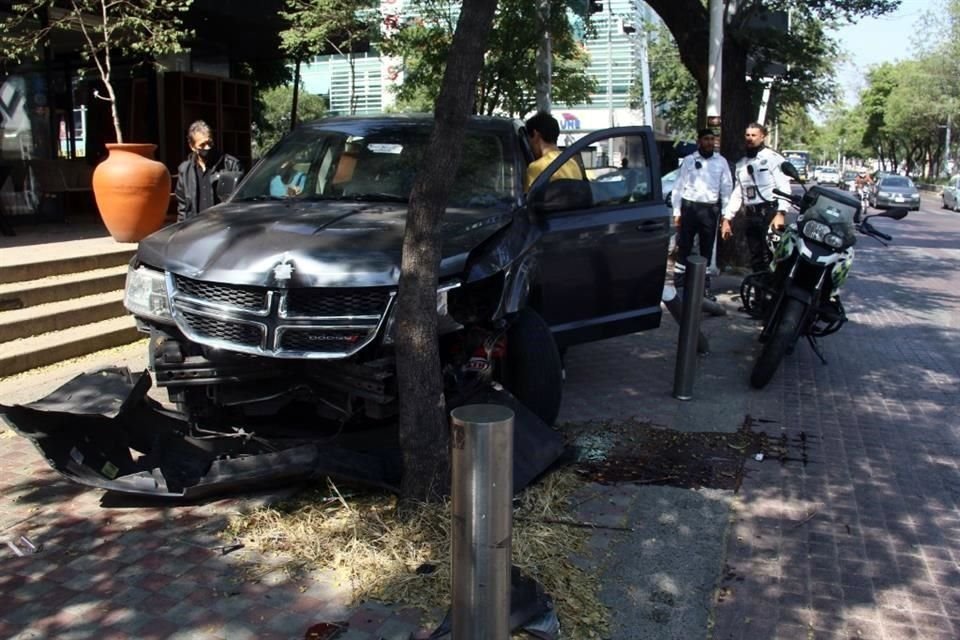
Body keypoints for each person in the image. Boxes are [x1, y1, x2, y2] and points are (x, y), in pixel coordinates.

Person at [721, 122, 792, 274]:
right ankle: (760, 294)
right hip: (752, 214)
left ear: (762, 137)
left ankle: (775, 293)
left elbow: (784, 187)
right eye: (747, 135)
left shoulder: (773, 159)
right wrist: (727, 218)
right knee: (756, 257)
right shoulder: (741, 164)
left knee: (774, 255)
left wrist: (781, 213)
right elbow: (738, 193)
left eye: (754, 135)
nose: (750, 138)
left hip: (770, 212)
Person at [670, 128, 732, 294]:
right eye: (706, 139)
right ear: (699, 141)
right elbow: (678, 186)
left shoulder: (721, 162)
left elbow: (726, 188)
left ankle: (703, 286)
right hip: (690, 208)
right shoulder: (689, 160)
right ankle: (680, 283)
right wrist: (677, 212)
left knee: (706, 248)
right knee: (684, 246)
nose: (710, 142)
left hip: (710, 210)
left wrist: (726, 215)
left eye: (712, 139)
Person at [175, 120, 243, 222]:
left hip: (221, 226)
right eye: (202, 145)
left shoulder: (231, 165)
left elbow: (239, 203)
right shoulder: (185, 171)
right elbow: (183, 209)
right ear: (192, 146)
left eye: (210, 143)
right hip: (196, 228)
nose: (207, 147)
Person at [524, 111, 583, 191]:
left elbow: (529, 200)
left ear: (536, 135)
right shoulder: (573, 163)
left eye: (529, 140)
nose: (530, 146)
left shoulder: (536, 168)